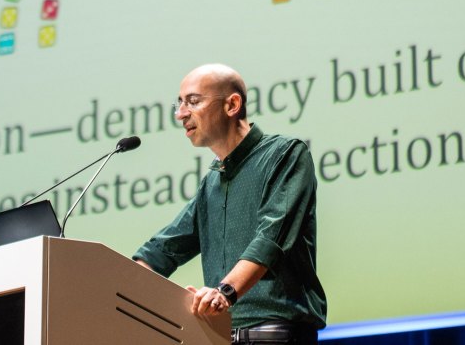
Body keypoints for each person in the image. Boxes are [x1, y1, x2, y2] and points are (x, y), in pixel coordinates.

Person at [133, 64, 327, 344]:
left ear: (232, 104)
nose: (180, 114)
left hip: (276, 335)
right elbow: (165, 249)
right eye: (179, 104)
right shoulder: (211, 182)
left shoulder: (285, 154)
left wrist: (224, 292)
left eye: (193, 101)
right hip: (219, 337)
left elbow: (270, 238)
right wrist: (114, 285)